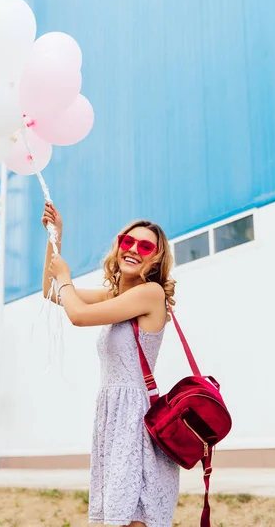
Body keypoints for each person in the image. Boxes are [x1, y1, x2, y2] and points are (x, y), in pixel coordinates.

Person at [42, 202, 180, 527]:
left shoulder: (150, 293)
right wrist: (55, 237)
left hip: (135, 421)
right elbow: (51, 292)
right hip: (112, 419)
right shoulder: (114, 296)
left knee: (132, 520)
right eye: (127, 241)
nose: (133, 249)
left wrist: (66, 277)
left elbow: (77, 315)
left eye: (145, 246)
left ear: (157, 258)